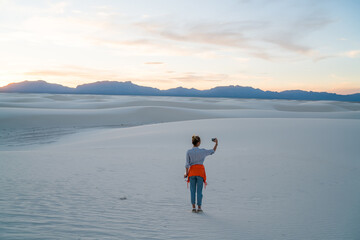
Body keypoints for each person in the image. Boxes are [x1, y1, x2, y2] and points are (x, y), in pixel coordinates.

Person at [184, 135, 218, 213]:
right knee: (199, 191)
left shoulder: (188, 152)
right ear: (198, 143)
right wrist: (216, 143)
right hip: (200, 172)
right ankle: (199, 207)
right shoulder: (202, 151)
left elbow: (187, 164)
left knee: (192, 191)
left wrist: (186, 173)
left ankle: (193, 208)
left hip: (192, 172)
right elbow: (212, 151)